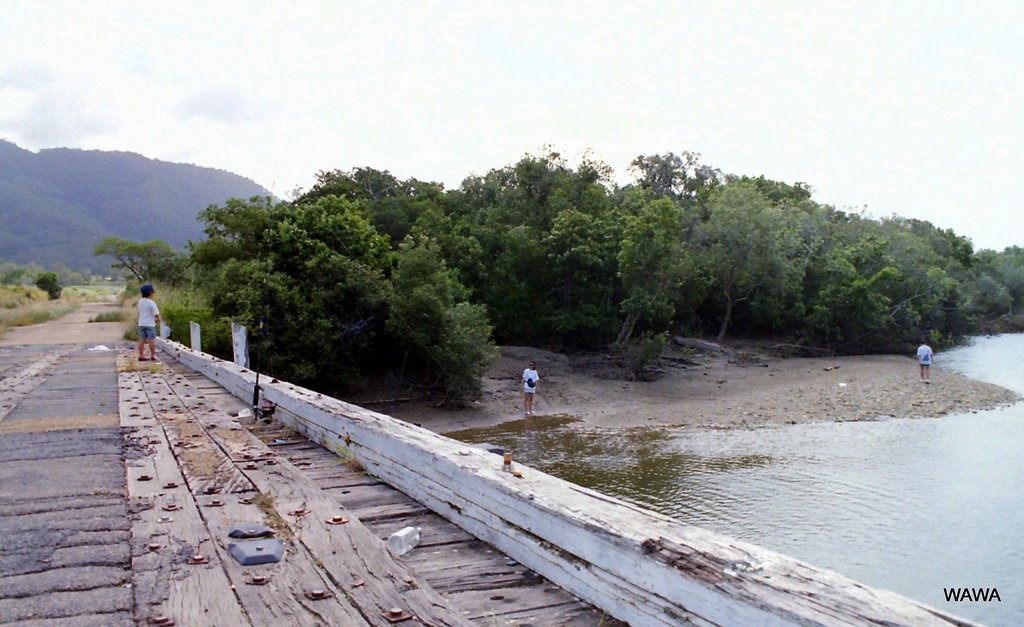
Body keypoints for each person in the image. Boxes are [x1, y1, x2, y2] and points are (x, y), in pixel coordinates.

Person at [137, 283, 161, 362]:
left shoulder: (140, 301)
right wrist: (158, 320)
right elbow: (156, 314)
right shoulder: (151, 303)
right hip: (150, 324)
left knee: (142, 340)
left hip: (141, 323)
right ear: (150, 293)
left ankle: (141, 355)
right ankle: (153, 355)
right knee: (151, 340)